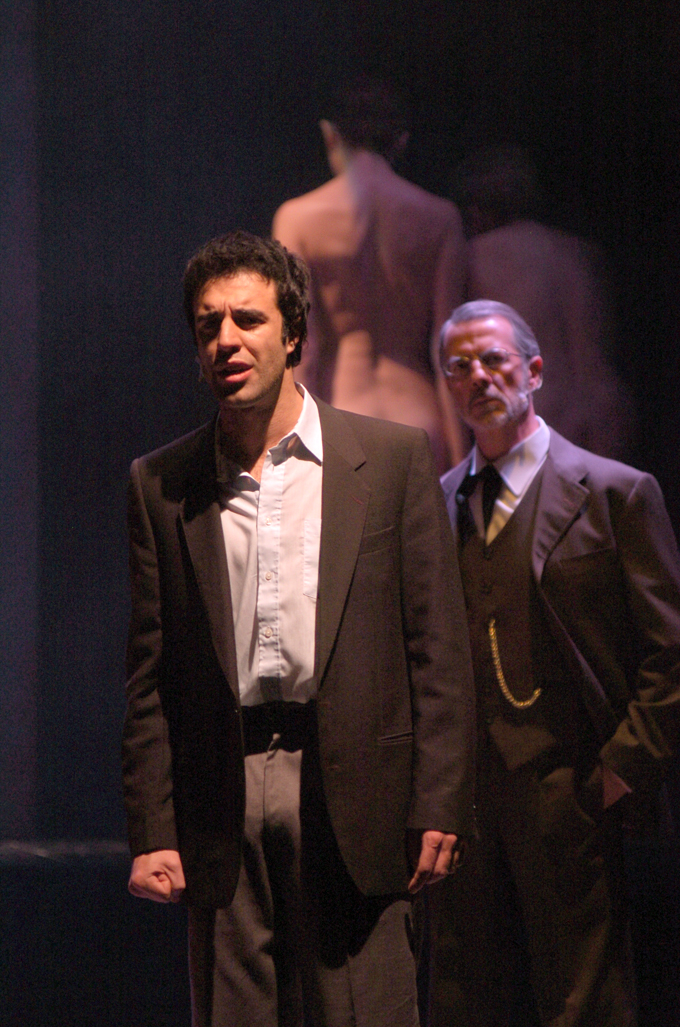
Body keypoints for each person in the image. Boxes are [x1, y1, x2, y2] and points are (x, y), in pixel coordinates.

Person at [122, 230, 476, 1027]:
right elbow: (150, 674)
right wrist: (152, 829)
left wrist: (440, 799)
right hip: (223, 791)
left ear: (293, 335)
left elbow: (438, 652)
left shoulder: (390, 459)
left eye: (247, 319)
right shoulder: (161, 482)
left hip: (357, 783)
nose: (226, 340)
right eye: (208, 325)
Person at [430, 298, 680, 1026]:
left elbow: (669, 649)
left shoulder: (615, 491)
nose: (478, 377)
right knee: (470, 999)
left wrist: (622, 769)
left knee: (585, 1000)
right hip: (469, 805)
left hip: (572, 789)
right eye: (459, 367)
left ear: (534, 370)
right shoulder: (437, 504)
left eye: (494, 360)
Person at [272, 76, 467, 470]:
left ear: (330, 134)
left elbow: (303, 347)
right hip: (420, 419)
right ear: (401, 141)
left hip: (340, 417)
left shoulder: (297, 218)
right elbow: (447, 345)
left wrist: (290, 452)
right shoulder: (440, 217)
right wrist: (462, 456)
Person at [454, 146, 635, 460]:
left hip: (537, 413)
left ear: (475, 209)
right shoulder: (579, 251)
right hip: (604, 410)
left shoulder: (476, 257)